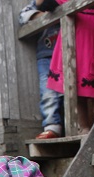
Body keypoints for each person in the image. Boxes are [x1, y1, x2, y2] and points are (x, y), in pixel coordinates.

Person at [38, 0, 94, 135]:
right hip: (73, 57)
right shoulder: (68, 1)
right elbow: (46, 5)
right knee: (77, 97)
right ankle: (83, 129)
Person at [20, 2, 65, 140]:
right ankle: (52, 126)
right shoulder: (38, 4)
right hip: (47, 54)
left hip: (70, 52)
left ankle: (75, 125)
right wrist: (45, 15)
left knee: (71, 91)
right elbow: (23, 16)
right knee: (48, 92)